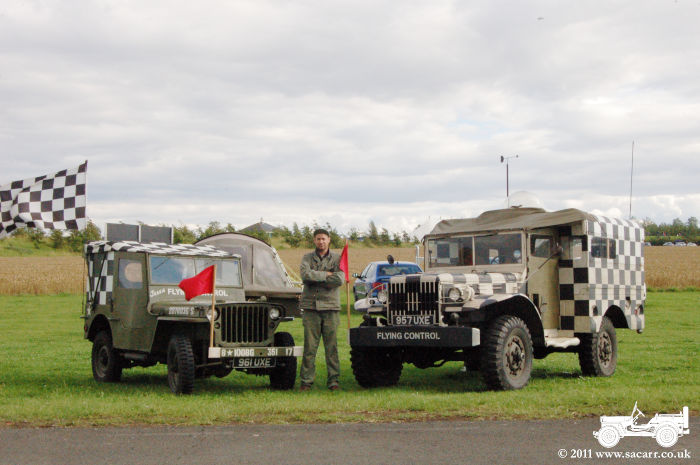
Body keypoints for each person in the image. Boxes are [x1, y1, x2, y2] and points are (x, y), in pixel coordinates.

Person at [299, 228, 344, 391]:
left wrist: (316, 276)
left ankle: (333, 381)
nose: (321, 242)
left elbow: (339, 279)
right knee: (309, 348)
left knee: (331, 347)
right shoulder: (307, 258)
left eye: (323, 239)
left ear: (329, 240)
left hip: (331, 307)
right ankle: (306, 381)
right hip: (311, 307)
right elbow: (305, 275)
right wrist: (326, 274)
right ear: (314, 240)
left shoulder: (338, 258)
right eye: (318, 239)